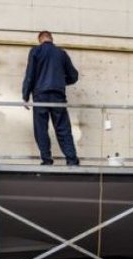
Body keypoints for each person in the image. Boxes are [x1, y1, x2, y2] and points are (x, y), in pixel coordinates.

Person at [22, 30, 80, 166]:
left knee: (41, 128)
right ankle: (71, 159)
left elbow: (30, 74)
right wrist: (61, 81)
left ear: (40, 39)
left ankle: (47, 159)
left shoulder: (36, 51)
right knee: (63, 128)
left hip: (40, 95)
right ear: (51, 39)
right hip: (58, 95)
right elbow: (74, 76)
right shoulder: (61, 53)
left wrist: (25, 95)